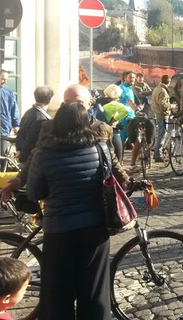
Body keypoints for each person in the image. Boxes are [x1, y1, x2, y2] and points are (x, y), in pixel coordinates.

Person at [25, 102, 113, 319]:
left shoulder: (43, 154)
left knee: (57, 294)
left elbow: (33, 192)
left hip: (59, 230)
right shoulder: (99, 148)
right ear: (86, 122)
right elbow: (106, 179)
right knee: (94, 291)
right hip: (94, 227)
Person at [0, 85, 131, 201]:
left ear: (90, 103)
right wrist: (21, 179)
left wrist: (124, 180)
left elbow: (110, 159)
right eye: (68, 102)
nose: (73, 108)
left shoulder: (101, 128)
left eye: (79, 102)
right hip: (58, 197)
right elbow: (36, 155)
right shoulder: (49, 127)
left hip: (92, 196)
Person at [15, 86, 54, 164]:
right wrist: (23, 157)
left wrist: (19, 149)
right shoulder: (41, 119)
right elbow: (31, 140)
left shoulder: (29, 112)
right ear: (49, 100)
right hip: (32, 159)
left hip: (27, 155)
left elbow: (20, 133)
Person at [101, 85, 130, 162]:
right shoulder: (113, 104)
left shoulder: (100, 101)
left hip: (101, 131)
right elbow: (127, 110)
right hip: (112, 131)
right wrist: (115, 118)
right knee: (117, 157)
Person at [151, 75, 172, 162]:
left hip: (157, 113)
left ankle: (156, 153)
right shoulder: (163, 91)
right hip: (162, 115)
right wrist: (171, 106)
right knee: (162, 135)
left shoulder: (157, 88)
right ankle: (158, 155)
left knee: (160, 134)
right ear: (169, 82)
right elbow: (163, 105)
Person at [117, 70, 138, 143]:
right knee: (123, 140)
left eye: (134, 78)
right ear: (125, 78)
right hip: (124, 117)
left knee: (133, 140)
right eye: (130, 77)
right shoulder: (122, 88)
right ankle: (120, 154)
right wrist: (136, 110)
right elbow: (130, 101)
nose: (132, 79)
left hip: (131, 116)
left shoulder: (129, 87)